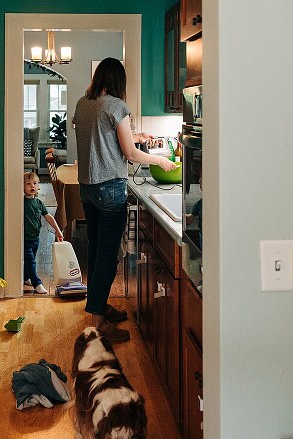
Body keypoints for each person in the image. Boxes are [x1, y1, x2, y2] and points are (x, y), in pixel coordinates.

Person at [70, 57, 176, 342]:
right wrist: (159, 160)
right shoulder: (117, 106)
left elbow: (101, 137)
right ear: (118, 80)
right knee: (108, 256)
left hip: (88, 189)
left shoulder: (83, 103)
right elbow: (129, 154)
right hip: (110, 189)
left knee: (95, 251)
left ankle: (99, 307)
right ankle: (98, 323)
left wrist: (135, 135)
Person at [23, 171, 63, 294]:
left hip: (35, 238)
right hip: (24, 239)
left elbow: (48, 216)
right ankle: (37, 283)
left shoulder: (39, 203)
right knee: (30, 261)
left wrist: (57, 230)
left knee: (31, 259)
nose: (32, 186)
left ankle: (25, 277)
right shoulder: (21, 203)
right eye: (28, 184)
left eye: (35, 183)